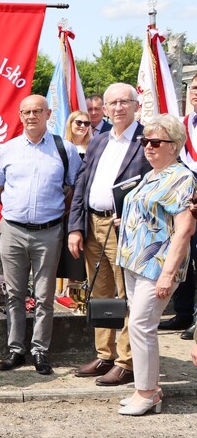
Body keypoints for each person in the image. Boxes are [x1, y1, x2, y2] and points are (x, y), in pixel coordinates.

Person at [0, 95, 82, 375]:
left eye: (37, 111)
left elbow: (73, 189)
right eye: (26, 112)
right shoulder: (8, 149)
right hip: (14, 231)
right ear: (20, 115)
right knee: (14, 294)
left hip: (48, 232)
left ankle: (40, 350)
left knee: (44, 296)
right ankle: (16, 349)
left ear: (48, 114)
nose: (31, 116)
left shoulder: (64, 149)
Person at [68, 84, 149, 386]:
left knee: (125, 295)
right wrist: (75, 227)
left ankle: (127, 362)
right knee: (99, 294)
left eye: (124, 102)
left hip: (125, 230)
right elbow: (81, 186)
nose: (117, 108)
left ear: (135, 105)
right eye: (111, 103)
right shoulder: (98, 141)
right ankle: (105, 354)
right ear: (104, 109)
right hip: (93, 226)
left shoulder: (146, 141)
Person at [115, 115, 195, 415]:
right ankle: (148, 388)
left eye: (155, 142)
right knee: (139, 326)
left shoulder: (182, 178)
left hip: (157, 266)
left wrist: (168, 274)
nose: (148, 147)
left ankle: (147, 393)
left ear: (174, 146)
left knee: (140, 325)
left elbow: (185, 230)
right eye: (145, 141)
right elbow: (152, 215)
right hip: (136, 262)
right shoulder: (152, 174)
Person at [164, 73, 197, 337]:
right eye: (193, 88)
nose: (195, 92)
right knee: (183, 256)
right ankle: (183, 313)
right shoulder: (182, 126)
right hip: (183, 202)